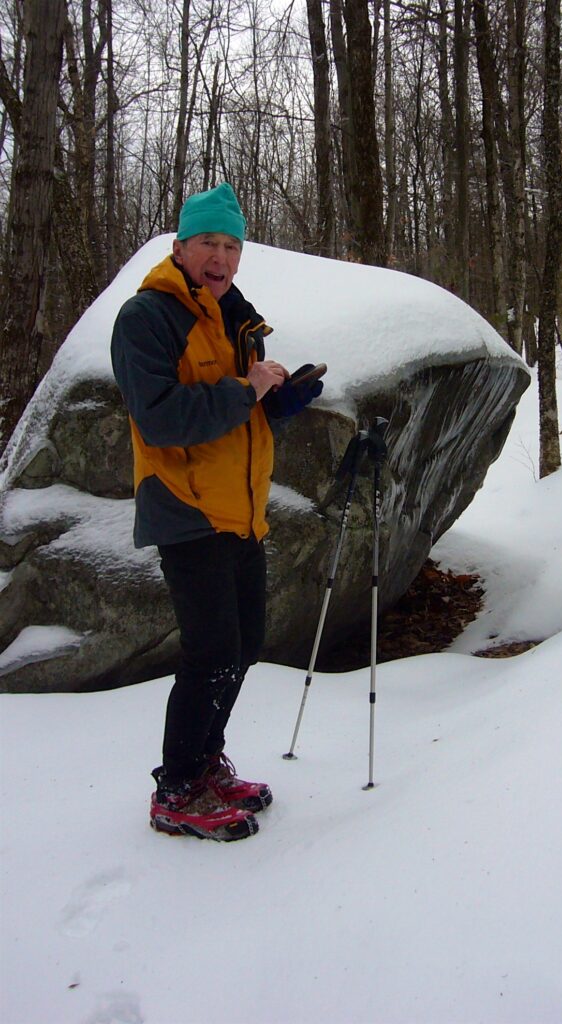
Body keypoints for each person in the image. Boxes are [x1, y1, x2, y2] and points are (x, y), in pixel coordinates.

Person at [111, 182, 323, 842]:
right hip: (185, 508)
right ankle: (175, 790)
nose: (221, 255)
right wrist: (246, 390)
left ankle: (206, 765)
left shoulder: (237, 317)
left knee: (243, 644)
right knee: (208, 652)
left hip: (241, 509)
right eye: (208, 241)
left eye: (232, 245)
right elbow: (163, 419)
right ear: (179, 246)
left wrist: (275, 403)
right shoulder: (148, 318)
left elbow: (236, 413)